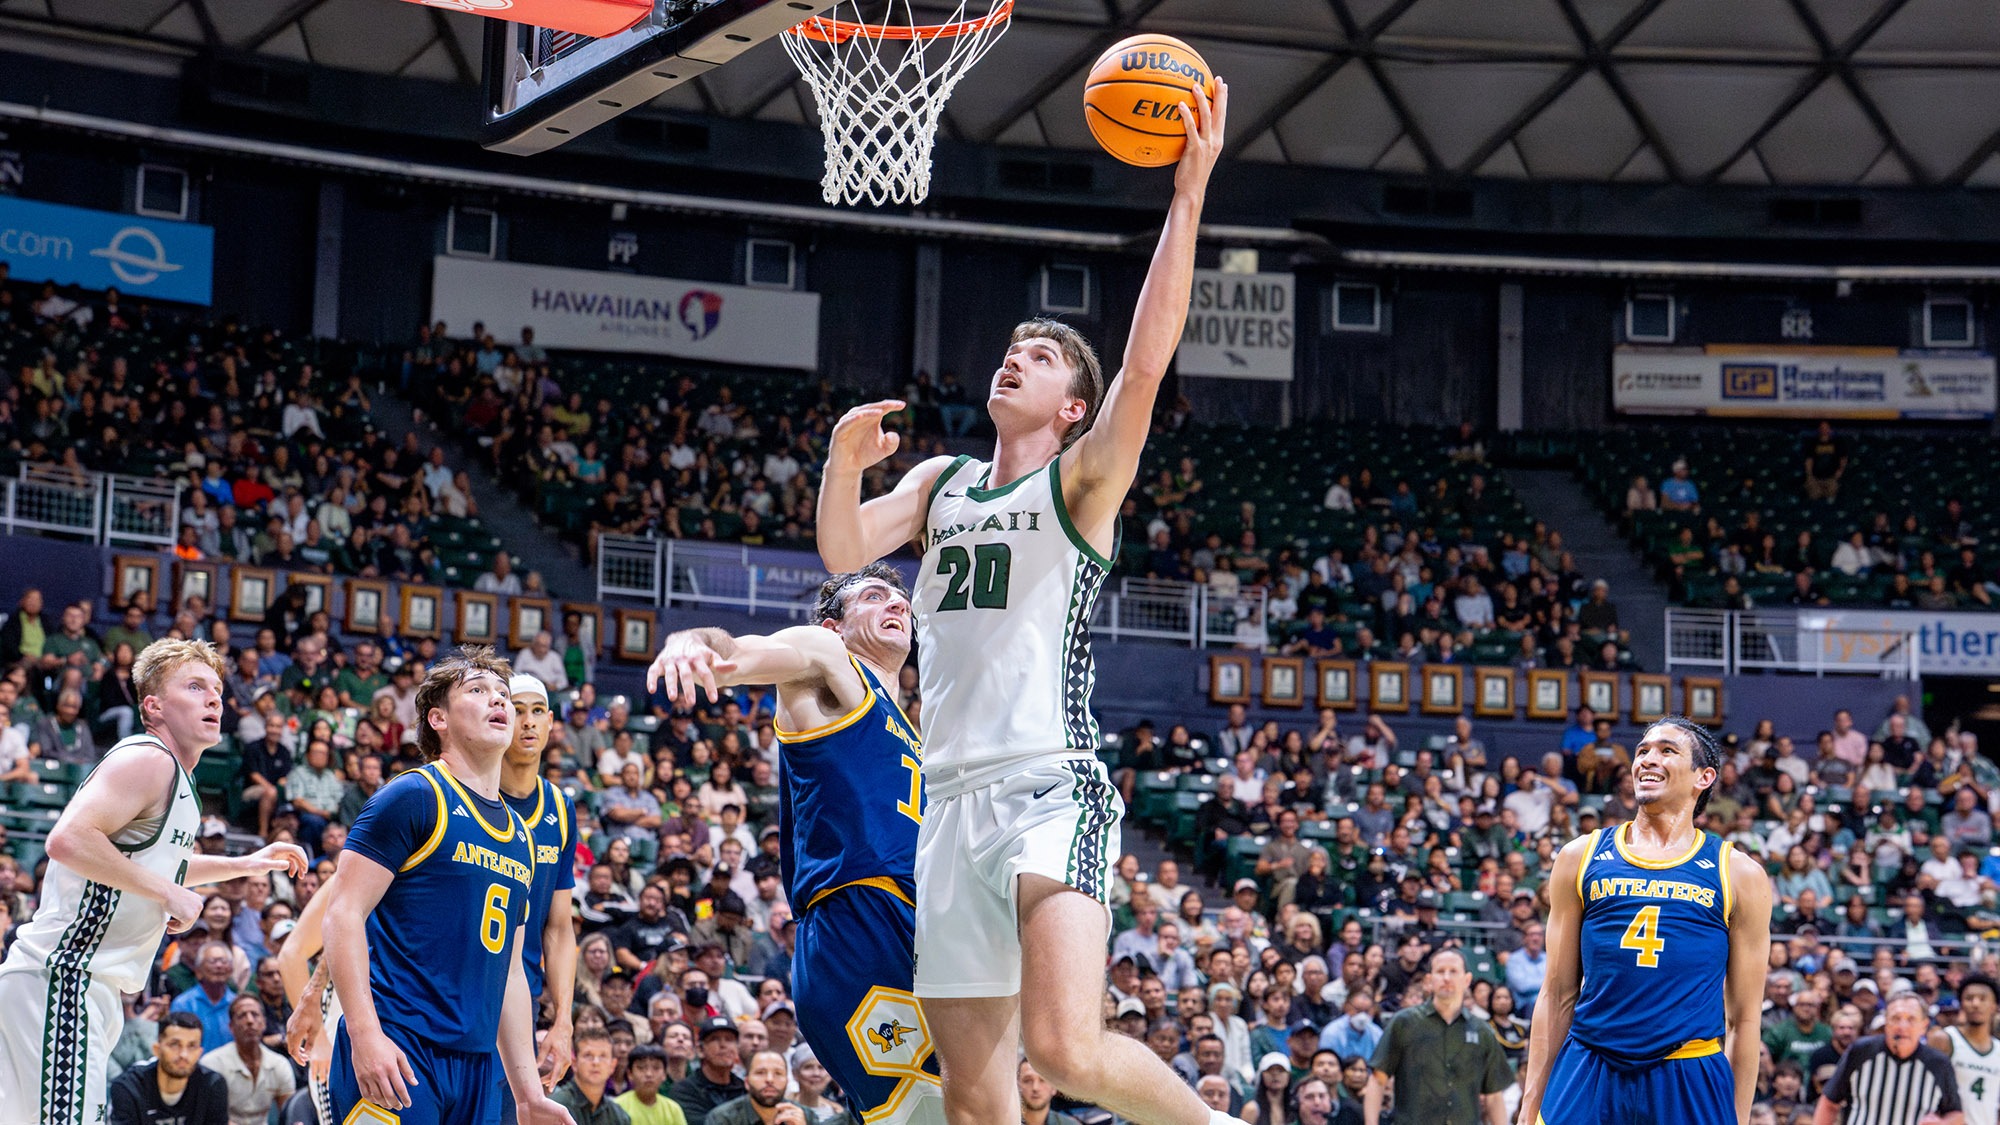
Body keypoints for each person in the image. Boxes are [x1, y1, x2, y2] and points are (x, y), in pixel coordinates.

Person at [812, 71, 1234, 1125]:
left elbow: (1144, 366)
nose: (1014, 361)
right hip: (945, 801)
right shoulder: (939, 483)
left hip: (1048, 781)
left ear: (1071, 404)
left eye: (1037, 358)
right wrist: (836, 458)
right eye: (1009, 352)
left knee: (1064, 1046)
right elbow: (837, 552)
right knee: (972, 1098)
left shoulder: (1080, 481)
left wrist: (1184, 198)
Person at [649, 564, 943, 1125]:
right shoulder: (827, 657)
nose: (897, 605)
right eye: (875, 596)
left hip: (911, 923)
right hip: (856, 917)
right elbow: (744, 653)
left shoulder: (913, 727)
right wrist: (696, 643)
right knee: (925, 1113)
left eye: (901, 599)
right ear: (834, 625)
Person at [0, 639, 308, 1125]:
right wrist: (168, 894)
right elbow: (68, 840)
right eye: (195, 686)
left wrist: (248, 863)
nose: (214, 699)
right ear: (153, 705)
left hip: (78, 985)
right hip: (65, 977)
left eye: (217, 690)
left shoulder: (174, 779)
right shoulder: (149, 759)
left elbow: (165, 864)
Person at [321, 647, 570, 1125]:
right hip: (399, 1045)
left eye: (502, 693)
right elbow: (342, 915)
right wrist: (365, 1033)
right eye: (478, 692)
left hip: (477, 1064)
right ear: (438, 718)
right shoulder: (413, 796)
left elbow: (512, 972)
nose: (499, 701)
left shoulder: (520, 835)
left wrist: (527, 1093)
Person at [1517, 717, 1773, 1125]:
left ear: (1703, 777)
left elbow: (1743, 1019)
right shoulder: (1579, 857)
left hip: (1687, 1073)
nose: (1647, 760)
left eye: (1667, 751)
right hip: (1590, 1064)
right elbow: (1557, 993)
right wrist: (1529, 1107)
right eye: (1642, 751)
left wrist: (1737, 1117)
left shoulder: (1738, 874)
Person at [500, 673, 582, 1107]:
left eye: (536, 712)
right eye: (516, 711)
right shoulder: (467, 792)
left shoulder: (561, 808)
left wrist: (563, 1019)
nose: (527, 723)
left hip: (520, 1001)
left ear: (551, 723)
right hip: (456, 997)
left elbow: (559, 928)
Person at [1362, 949, 1510, 1125]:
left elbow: (1494, 1096)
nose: (1446, 977)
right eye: (1440, 971)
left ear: (1467, 980)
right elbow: (1377, 1081)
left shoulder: (1482, 1031)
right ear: (1429, 980)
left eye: (1453, 971)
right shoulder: (1404, 1023)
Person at [1813, 992, 1962, 1125]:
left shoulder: (1938, 1063)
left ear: (1924, 1026)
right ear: (1886, 1023)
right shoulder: (1861, 1052)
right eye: (1895, 1018)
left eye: (1911, 1019)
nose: (1902, 1026)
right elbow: (1829, 1103)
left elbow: (1956, 1115)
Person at [107, 1012, 232, 1125]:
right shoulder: (129, 1087)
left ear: (200, 1052)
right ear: (157, 1049)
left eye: (192, 1046)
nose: (184, 1054)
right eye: (175, 1045)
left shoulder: (212, 1084)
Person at [200, 994, 295, 1125]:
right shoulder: (212, 1064)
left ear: (264, 1023)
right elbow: (208, 1116)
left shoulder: (279, 1064)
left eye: (255, 1014)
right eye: (241, 1016)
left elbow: (289, 1114)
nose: (249, 1021)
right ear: (231, 1027)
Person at [1931, 974, 2000, 1125]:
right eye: (1969, 998)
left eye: (1982, 999)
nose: (1975, 1004)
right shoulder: (1945, 1039)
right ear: (1961, 1004)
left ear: (1995, 1006)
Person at [669, 1017, 746, 1125]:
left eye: (729, 1039)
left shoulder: (745, 1089)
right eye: (714, 1039)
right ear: (700, 1049)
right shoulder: (684, 1091)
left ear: (737, 1048)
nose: (723, 1045)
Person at [552, 1027, 630, 1125]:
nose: (596, 1062)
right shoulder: (555, 1107)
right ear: (575, 1063)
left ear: (612, 1065)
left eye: (603, 1056)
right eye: (588, 1055)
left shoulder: (619, 1116)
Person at [706, 1050, 806, 1125]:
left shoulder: (804, 1115)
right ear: (746, 1082)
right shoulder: (722, 1118)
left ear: (787, 1081)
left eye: (778, 1073)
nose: (770, 1079)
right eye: (760, 1073)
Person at [614, 1044, 685, 1125]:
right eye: (641, 1067)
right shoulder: (617, 1107)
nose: (649, 1074)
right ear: (630, 1074)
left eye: (656, 1068)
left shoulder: (673, 1109)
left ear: (664, 1074)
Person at [1018, 1059, 1083, 1125]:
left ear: (1054, 1087)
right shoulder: (1008, 1121)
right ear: (1017, 1086)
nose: (1035, 1087)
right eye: (1028, 1080)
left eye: (1042, 1080)